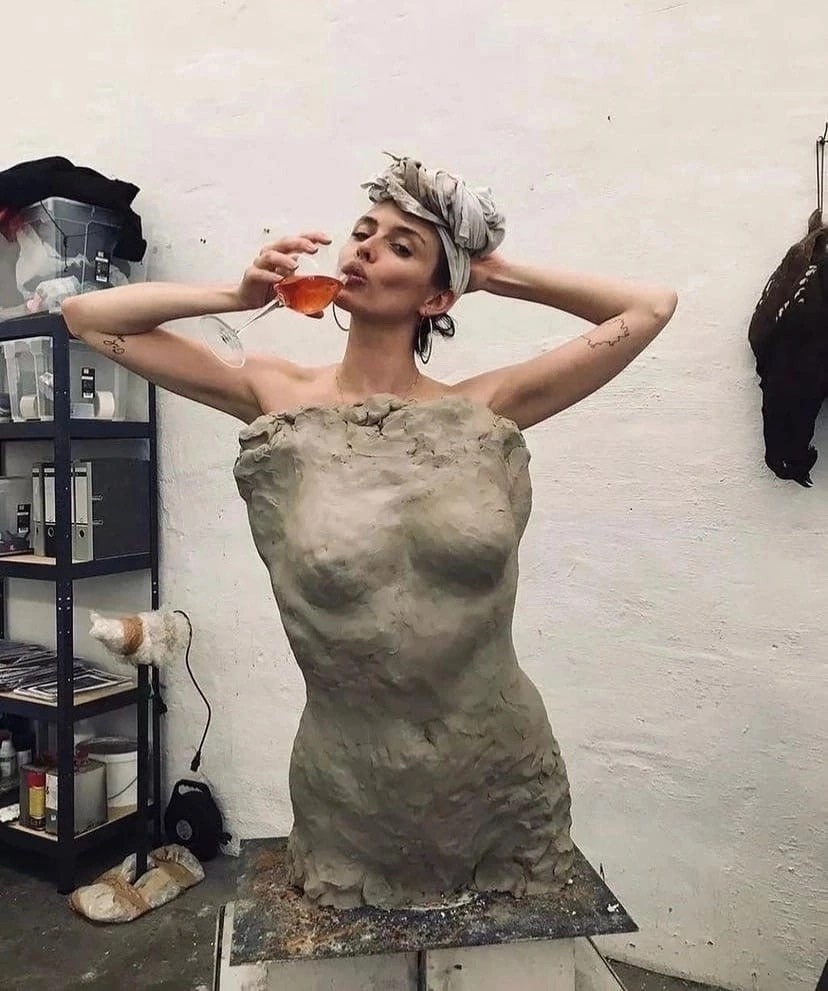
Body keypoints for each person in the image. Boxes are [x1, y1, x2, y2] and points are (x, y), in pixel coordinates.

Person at [62, 155, 677, 909]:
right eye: (362, 233)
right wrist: (236, 293)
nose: (364, 251)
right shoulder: (277, 395)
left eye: (400, 246)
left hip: (504, 772)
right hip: (347, 784)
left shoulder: (483, 410)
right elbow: (86, 317)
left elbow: (649, 308)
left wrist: (490, 273)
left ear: (437, 295)